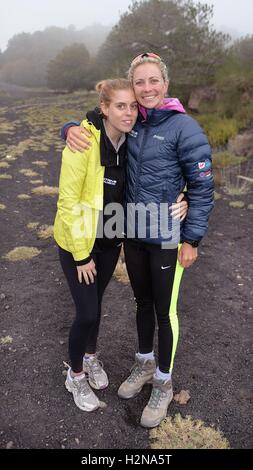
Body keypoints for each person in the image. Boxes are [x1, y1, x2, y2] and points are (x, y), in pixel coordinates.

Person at [62, 52, 213, 428]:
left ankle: (163, 380)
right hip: (131, 232)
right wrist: (68, 127)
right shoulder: (134, 124)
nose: (146, 89)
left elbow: (203, 183)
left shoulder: (185, 127)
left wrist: (191, 234)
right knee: (142, 304)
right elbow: (96, 120)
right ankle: (144, 363)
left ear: (165, 83)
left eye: (153, 81)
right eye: (139, 82)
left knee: (166, 311)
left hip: (166, 235)